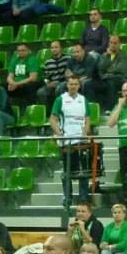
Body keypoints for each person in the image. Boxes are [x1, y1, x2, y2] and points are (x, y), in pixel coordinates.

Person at [49, 75, 92, 205]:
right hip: (67, 141)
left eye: (75, 84)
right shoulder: (60, 99)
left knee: (83, 171)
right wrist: (59, 133)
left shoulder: (83, 100)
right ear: (67, 85)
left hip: (81, 141)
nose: (73, 86)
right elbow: (53, 119)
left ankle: (83, 198)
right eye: (71, 84)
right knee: (68, 171)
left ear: (79, 86)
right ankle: (68, 198)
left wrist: (85, 132)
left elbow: (87, 119)